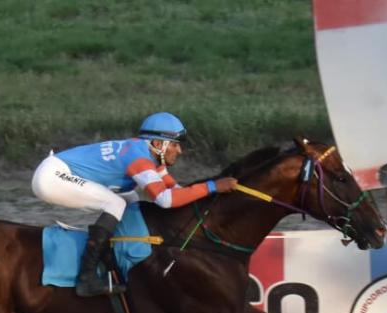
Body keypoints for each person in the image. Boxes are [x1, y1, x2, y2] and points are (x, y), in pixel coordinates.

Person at [32, 112, 239, 297]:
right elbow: (165, 200)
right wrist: (212, 186)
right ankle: (87, 278)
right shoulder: (140, 159)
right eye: (175, 144)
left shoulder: (148, 155)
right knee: (115, 203)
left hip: (56, 171)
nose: (180, 150)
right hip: (52, 177)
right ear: (158, 144)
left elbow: (175, 190)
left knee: (130, 201)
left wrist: (209, 194)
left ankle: (117, 257)